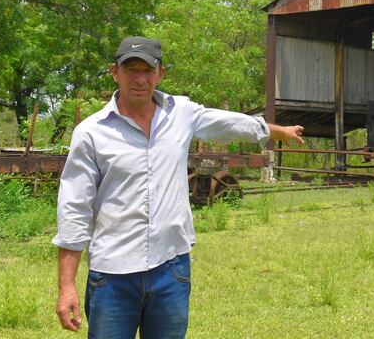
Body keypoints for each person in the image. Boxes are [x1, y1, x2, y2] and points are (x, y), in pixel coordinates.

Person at [52, 36, 303, 338]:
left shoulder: (181, 113)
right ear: (114, 72)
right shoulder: (91, 133)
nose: (140, 79)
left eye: (148, 69)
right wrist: (66, 286)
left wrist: (277, 131)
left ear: (161, 74)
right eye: (131, 69)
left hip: (171, 269)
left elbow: (229, 123)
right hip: (113, 276)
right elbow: (74, 208)